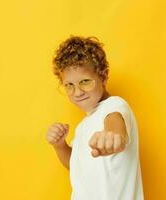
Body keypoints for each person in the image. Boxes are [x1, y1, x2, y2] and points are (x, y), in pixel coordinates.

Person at [45, 35, 144, 200]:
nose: (77, 92)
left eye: (85, 82)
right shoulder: (83, 126)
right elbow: (75, 165)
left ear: (103, 77)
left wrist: (113, 137)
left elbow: (115, 126)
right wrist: (60, 145)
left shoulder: (115, 106)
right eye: (69, 85)